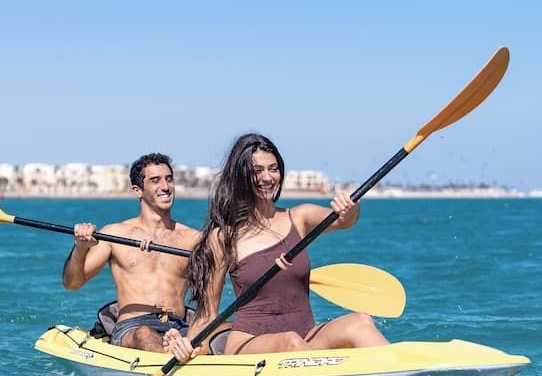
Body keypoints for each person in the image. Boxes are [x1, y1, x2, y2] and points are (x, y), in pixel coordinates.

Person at [163, 133, 387, 362]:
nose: (267, 177)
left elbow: (343, 221)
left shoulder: (299, 217)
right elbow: (208, 312)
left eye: (273, 169)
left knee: (361, 322)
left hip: (306, 336)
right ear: (241, 176)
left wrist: (350, 208)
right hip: (249, 342)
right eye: (257, 171)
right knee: (290, 342)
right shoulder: (223, 237)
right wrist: (189, 344)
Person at [63, 152, 199, 352]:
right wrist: (80, 248)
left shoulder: (193, 239)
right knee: (144, 334)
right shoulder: (115, 234)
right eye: (155, 180)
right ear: (138, 190)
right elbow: (72, 283)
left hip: (178, 325)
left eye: (169, 179)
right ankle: (172, 360)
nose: (165, 186)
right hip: (133, 327)